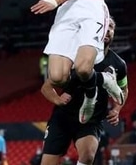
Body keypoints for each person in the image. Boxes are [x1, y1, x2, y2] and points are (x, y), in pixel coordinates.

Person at [40, 18, 128, 165]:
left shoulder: (118, 64)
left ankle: (101, 80)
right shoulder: (76, 57)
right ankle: (102, 79)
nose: (108, 30)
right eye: (105, 26)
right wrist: (58, 100)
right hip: (63, 118)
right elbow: (46, 87)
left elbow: (124, 89)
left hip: (91, 120)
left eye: (111, 27)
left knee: (87, 155)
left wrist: (117, 109)